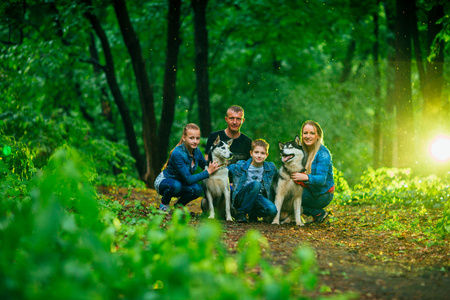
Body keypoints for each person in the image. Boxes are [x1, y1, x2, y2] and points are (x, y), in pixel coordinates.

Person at [154, 123, 220, 212]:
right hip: (165, 182)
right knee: (176, 185)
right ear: (184, 138)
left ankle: (178, 206)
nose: (195, 141)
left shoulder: (197, 151)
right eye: (191, 138)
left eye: (197, 138)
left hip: (181, 183)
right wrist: (207, 172)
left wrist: (219, 162)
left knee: (198, 189)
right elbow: (189, 179)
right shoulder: (177, 153)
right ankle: (164, 203)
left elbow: (206, 165)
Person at [290, 120, 334, 223]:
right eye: (305, 133)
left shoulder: (323, 153)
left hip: (322, 194)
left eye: (312, 133)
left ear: (318, 136)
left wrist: (305, 177)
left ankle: (317, 212)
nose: (308, 136)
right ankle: (317, 214)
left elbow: (321, 179)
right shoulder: (302, 151)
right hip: (310, 189)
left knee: (289, 194)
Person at [227, 139, 278, 223]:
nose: (259, 155)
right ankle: (241, 212)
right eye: (256, 152)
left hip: (258, 198)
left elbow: (280, 177)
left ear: (267, 155)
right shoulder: (240, 165)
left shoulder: (271, 168)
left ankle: (253, 213)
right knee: (256, 185)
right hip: (241, 197)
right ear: (251, 153)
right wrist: (229, 183)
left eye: (262, 153)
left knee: (272, 210)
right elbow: (225, 170)